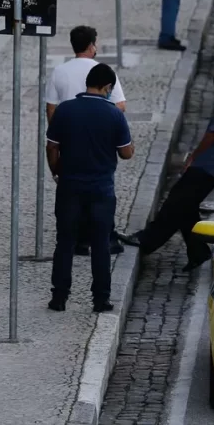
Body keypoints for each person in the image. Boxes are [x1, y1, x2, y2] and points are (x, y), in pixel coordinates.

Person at [117, 60, 214, 272]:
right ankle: (198, 252)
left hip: (207, 166)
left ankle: (147, 240)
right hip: (213, 166)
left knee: (175, 204)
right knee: (186, 208)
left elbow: (213, 133)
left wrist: (193, 157)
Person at [45, 63, 135, 312]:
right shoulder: (114, 115)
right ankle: (100, 299)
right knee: (100, 243)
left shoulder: (65, 110)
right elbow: (126, 153)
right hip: (101, 189)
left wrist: (56, 171)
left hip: (70, 186)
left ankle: (59, 297)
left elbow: (52, 146)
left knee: (65, 241)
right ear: (107, 87)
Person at [46, 25, 127, 256]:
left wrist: (58, 136)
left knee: (73, 190)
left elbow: (51, 109)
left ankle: (78, 240)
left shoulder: (59, 72)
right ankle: (106, 237)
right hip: (100, 137)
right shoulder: (102, 71)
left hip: (69, 138)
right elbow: (120, 105)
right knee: (102, 188)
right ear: (92, 46)